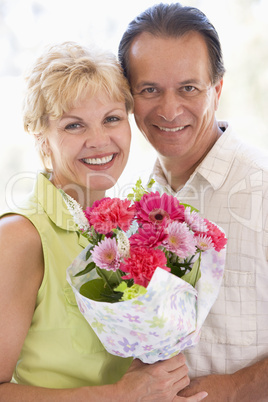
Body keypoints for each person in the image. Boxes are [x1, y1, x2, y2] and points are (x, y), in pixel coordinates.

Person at [0, 41, 208, 401]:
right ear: (41, 137)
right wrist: (117, 395)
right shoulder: (20, 238)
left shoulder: (129, 231)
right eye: (74, 125)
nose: (99, 141)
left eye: (111, 119)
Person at [118, 3, 268, 401]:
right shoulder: (134, 207)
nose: (169, 110)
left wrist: (234, 389)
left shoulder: (263, 188)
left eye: (188, 88)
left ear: (216, 89)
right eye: (150, 90)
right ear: (131, 98)